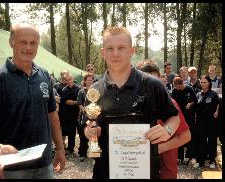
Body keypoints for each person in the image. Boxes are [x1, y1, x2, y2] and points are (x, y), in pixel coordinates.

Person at [84, 26, 180, 179]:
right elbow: (89, 125)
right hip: (105, 172)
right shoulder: (95, 90)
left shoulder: (153, 85)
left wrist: (167, 131)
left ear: (131, 50)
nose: (115, 53)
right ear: (103, 52)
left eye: (121, 47)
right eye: (110, 48)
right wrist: (90, 132)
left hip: (144, 171)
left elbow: (174, 118)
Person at [0, 23, 66, 179]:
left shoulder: (44, 75)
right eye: (23, 42)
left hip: (44, 164)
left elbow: (52, 114)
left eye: (33, 43)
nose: (28, 47)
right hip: (11, 167)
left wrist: (60, 149)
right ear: (12, 42)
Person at [137, 60, 191, 179]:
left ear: (160, 80)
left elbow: (186, 136)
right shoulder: (132, 106)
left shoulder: (171, 105)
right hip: (137, 169)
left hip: (165, 171)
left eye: (154, 81)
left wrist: (158, 149)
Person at [194, 75, 220, 169]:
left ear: (209, 83)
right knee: (201, 140)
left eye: (204, 82)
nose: (202, 84)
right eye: (201, 82)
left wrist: (217, 112)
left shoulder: (213, 95)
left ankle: (212, 160)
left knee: (212, 141)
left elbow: (218, 105)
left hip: (211, 122)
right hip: (200, 122)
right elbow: (196, 108)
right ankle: (200, 160)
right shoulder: (198, 95)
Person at [172, 76, 197, 165]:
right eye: (175, 86)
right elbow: (172, 102)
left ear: (181, 84)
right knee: (179, 135)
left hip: (189, 116)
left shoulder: (189, 89)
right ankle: (179, 157)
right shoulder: (175, 91)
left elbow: (195, 100)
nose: (177, 88)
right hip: (179, 117)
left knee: (189, 135)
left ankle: (188, 156)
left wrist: (190, 104)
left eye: (177, 86)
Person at [61, 73, 80, 155]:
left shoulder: (79, 89)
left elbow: (81, 101)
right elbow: (67, 102)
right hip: (68, 114)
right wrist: (77, 102)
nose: (69, 81)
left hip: (78, 113)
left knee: (81, 132)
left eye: (70, 79)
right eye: (67, 80)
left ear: (72, 79)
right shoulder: (64, 90)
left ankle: (82, 149)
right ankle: (70, 148)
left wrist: (76, 103)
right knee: (70, 132)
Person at [77, 73, 94, 161]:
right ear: (84, 81)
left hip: (94, 118)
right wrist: (86, 112)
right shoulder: (81, 92)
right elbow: (79, 104)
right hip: (84, 118)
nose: (90, 81)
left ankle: (94, 154)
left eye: (91, 80)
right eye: (88, 80)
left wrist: (95, 112)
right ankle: (82, 154)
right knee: (83, 136)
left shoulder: (96, 91)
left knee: (94, 136)